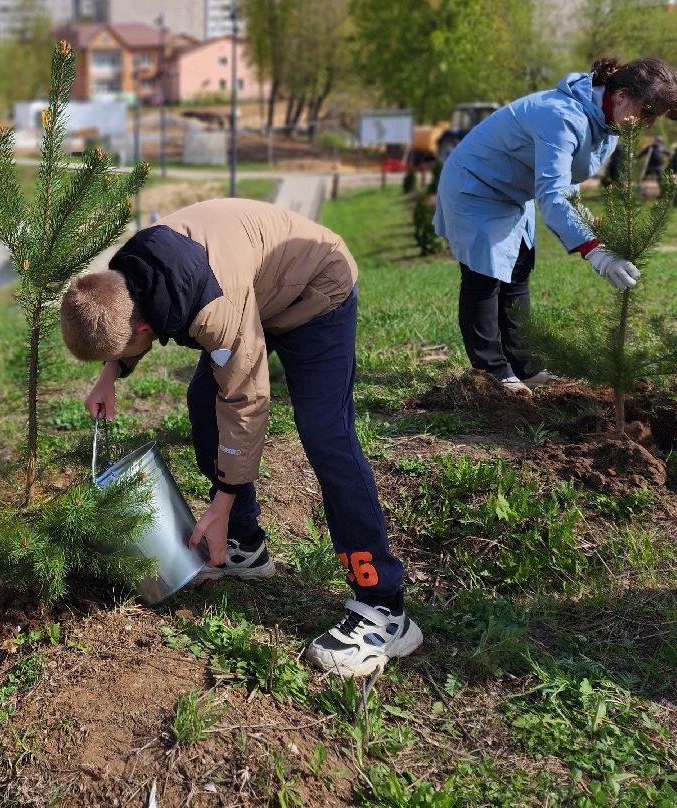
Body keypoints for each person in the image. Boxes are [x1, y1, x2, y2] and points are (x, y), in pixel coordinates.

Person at [61, 199, 420, 678]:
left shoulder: (212, 307)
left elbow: (247, 399)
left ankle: (385, 607)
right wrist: (112, 370)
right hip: (258, 291)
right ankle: (246, 548)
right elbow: (128, 321)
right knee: (201, 403)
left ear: (142, 328)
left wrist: (222, 499)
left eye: (128, 346)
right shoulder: (132, 275)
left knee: (325, 435)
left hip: (315, 291)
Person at [433, 57, 677, 394]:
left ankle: (524, 367)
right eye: (646, 112)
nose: (648, 124)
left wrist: (595, 236)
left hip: (512, 192)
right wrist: (594, 250)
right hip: (477, 185)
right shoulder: (561, 115)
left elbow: (568, 185)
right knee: (484, 277)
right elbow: (553, 195)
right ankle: (492, 373)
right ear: (622, 94)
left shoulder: (607, 124)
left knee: (518, 272)